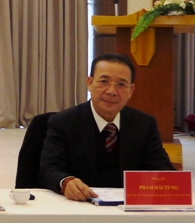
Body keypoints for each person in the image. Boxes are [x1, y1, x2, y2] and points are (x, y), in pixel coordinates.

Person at [39, 53, 174, 201]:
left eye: (121, 84)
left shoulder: (144, 124)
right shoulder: (63, 122)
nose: (111, 91)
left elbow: (162, 169)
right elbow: (49, 168)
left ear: (131, 90)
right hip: (79, 203)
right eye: (104, 81)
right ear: (89, 83)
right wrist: (66, 182)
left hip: (127, 206)